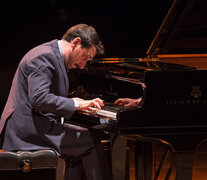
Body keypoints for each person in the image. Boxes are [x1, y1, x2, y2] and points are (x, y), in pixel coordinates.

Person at [0, 24, 112, 180]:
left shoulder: (54, 56)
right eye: (86, 57)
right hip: (25, 129)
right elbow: (39, 98)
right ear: (76, 42)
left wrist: (76, 104)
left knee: (83, 142)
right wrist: (75, 104)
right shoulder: (43, 56)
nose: (83, 65)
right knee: (90, 141)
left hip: (35, 123)